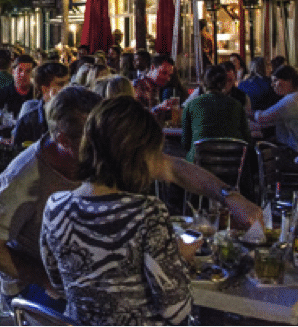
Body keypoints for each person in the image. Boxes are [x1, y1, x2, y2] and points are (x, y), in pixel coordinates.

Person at [0, 86, 262, 310]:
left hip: (95, 279)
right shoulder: (23, 177)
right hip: (35, 289)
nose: (105, 143)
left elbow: (172, 167)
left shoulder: (104, 152)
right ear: (63, 140)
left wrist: (229, 196)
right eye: (94, 137)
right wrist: (45, 279)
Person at [41, 96, 194, 326]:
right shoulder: (148, 213)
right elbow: (176, 310)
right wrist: (180, 259)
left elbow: (59, 285)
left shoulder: (55, 206)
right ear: (138, 156)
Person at [182, 65, 251, 163]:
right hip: (232, 165)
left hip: (199, 164)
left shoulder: (191, 105)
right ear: (224, 83)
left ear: (203, 83)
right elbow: (247, 139)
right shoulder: (237, 105)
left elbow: (185, 143)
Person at [253, 65, 298, 154]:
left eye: (275, 80)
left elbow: (262, 118)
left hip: (295, 151)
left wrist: (245, 112)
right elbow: (271, 121)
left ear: (289, 81)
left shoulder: (292, 100)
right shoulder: (297, 97)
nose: (272, 85)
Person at [12, 62, 70, 148]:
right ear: (45, 89)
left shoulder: (73, 116)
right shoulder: (28, 122)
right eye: (61, 84)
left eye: (68, 83)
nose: (67, 88)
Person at [0, 54, 37, 129]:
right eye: (20, 70)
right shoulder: (1, 95)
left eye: (28, 71)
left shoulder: (37, 96)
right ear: (13, 72)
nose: (23, 74)